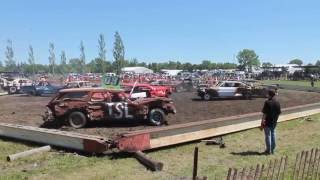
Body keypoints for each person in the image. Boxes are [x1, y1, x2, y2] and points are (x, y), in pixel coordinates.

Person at [261, 89, 281, 155]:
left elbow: (264, 114)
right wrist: (275, 120)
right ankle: (272, 150)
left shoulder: (267, 102)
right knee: (273, 135)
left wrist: (262, 122)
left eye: (268, 94)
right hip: (274, 122)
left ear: (269, 95)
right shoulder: (278, 102)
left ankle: (268, 150)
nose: (267, 95)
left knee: (268, 136)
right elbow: (278, 113)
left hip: (267, 122)